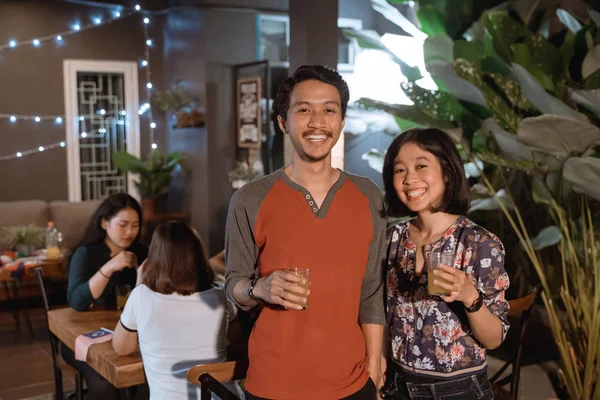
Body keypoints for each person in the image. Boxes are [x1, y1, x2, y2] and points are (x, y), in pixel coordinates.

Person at [225, 64, 387, 400]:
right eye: (303, 110)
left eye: (329, 110)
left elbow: (371, 291)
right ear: (283, 122)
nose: (317, 122)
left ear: (341, 121)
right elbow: (233, 288)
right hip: (274, 383)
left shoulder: (369, 195)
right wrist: (260, 287)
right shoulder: (250, 198)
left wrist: (374, 361)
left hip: (353, 382)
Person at [381, 128, 510, 399]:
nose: (409, 178)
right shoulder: (391, 239)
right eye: (400, 170)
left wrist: (469, 296)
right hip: (398, 385)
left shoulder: (478, 243)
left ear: (448, 173)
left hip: (458, 389)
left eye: (421, 166)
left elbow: (494, 339)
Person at [112, 221, 242, 399]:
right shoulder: (219, 294)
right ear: (197, 254)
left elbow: (122, 347)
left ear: (155, 258)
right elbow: (236, 338)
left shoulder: (141, 296)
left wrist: (138, 284)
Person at [64, 192, 148, 399]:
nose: (130, 232)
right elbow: (77, 302)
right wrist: (110, 266)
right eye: (123, 224)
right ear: (104, 223)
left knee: (147, 375)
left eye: (135, 225)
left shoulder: (141, 252)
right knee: (104, 384)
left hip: (126, 334)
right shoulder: (86, 253)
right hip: (82, 337)